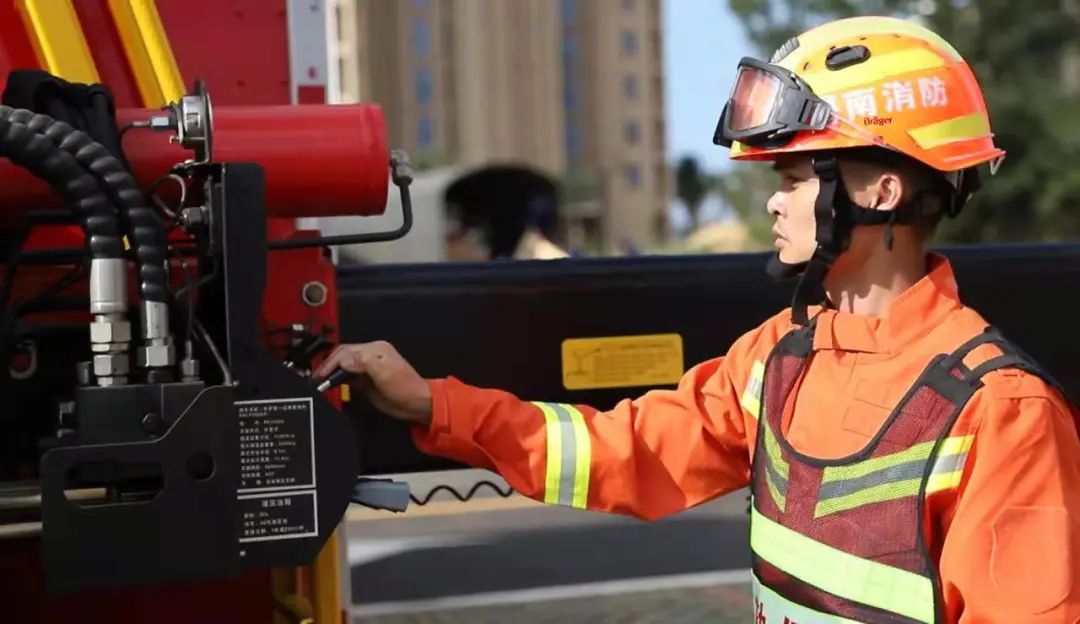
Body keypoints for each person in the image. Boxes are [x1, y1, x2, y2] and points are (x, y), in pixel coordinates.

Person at [316, 16, 1080, 622]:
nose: (773, 202)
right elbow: (628, 452)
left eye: (792, 177)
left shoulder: (1000, 412)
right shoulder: (781, 357)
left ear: (881, 192)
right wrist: (435, 406)